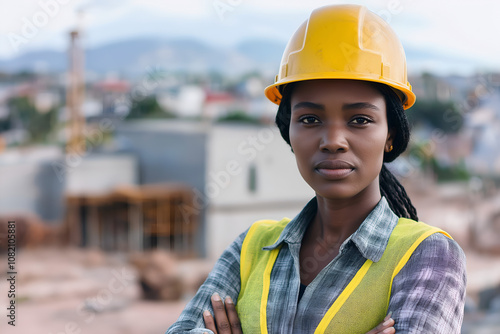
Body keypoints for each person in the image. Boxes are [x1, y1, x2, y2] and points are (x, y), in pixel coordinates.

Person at [167, 4, 466, 333]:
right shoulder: (250, 249)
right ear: (289, 133)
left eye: (359, 120)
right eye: (310, 119)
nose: (333, 141)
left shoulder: (427, 255)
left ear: (390, 134)